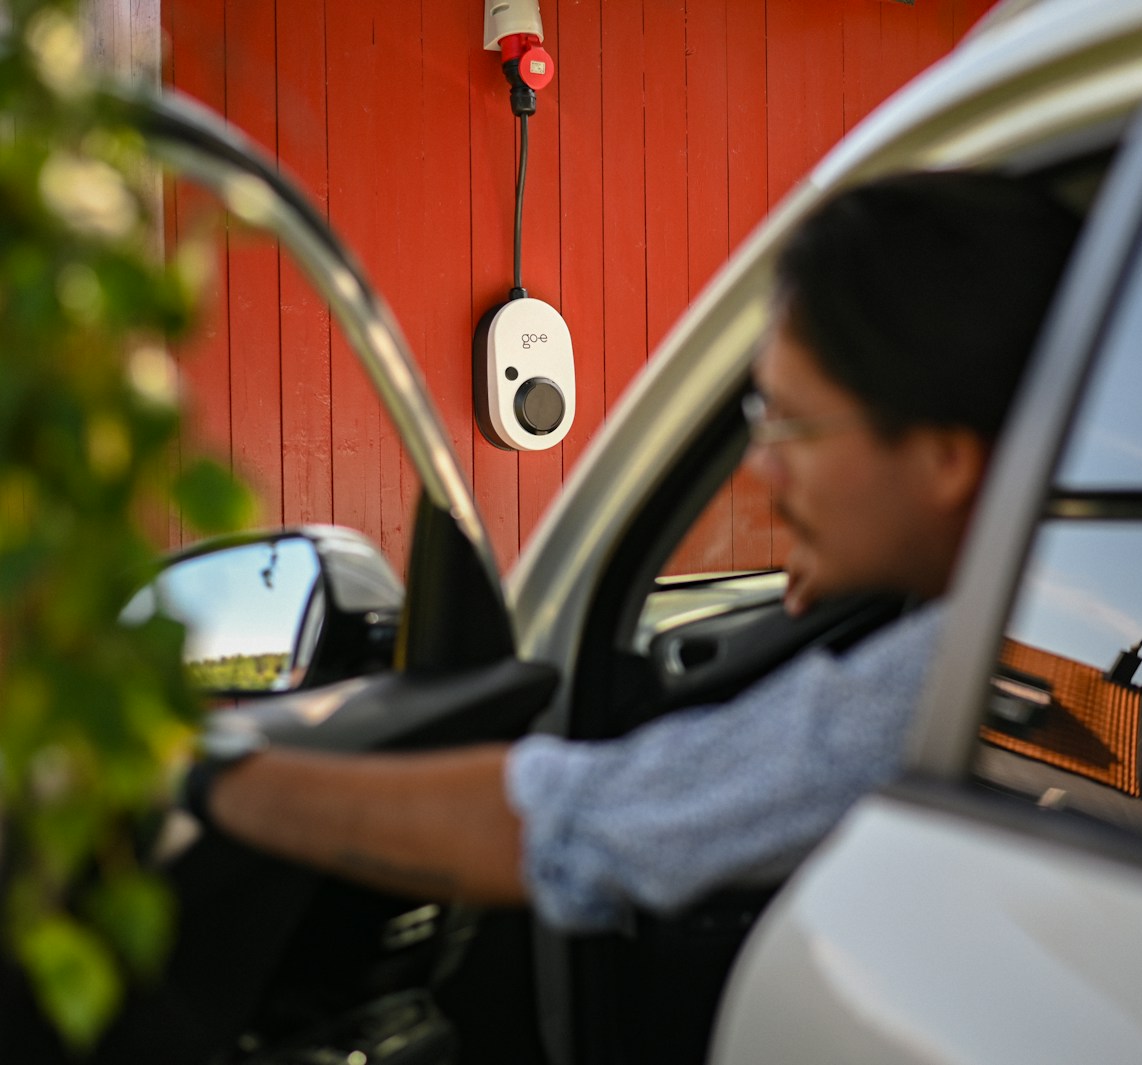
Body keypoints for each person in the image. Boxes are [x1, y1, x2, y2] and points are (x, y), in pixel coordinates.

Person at [195, 170, 1081, 930]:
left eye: (790, 422)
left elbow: (570, 826)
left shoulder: (932, 688)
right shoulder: (1046, 621)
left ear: (945, 459)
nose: (761, 465)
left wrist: (211, 778)